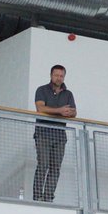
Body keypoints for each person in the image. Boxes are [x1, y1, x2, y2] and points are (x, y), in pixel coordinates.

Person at [33, 64, 76, 203]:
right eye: (56, 75)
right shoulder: (42, 90)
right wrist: (60, 111)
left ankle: (48, 198)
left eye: (61, 76)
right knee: (43, 165)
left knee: (55, 168)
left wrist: (66, 112)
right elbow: (40, 108)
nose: (59, 78)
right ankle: (37, 197)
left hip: (60, 136)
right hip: (43, 133)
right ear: (51, 75)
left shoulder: (68, 94)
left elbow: (74, 112)